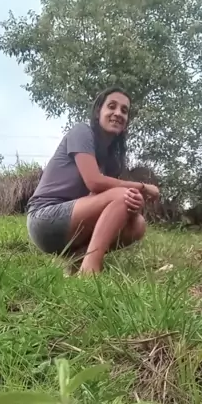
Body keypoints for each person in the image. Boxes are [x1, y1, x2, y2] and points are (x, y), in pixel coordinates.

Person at [27, 87, 160, 274]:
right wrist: (142, 187)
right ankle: (90, 270)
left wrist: (135, 204)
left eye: (124, 110)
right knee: (124, 194)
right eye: (111, 106)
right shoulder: (81, 132)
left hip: (74, 220)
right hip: (44, 219)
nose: (118, 113)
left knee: (137, 224)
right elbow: (94, 182)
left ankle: (77, 261)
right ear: (98, 112)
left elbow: (101, 199)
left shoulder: (111, 159)